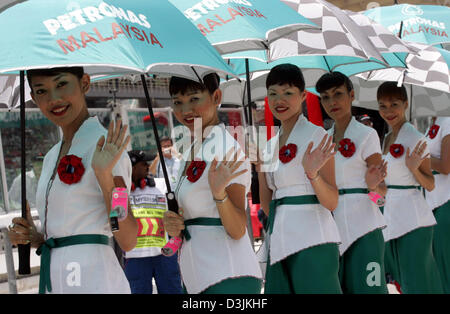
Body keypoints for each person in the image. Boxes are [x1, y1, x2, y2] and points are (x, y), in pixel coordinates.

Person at [7, 67, 137, 294]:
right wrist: (34, 237)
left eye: (61, 84)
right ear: (34, 98)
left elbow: (128, 239)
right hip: (56, 280)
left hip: (95, 280)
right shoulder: (50, 157)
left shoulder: (107, 148)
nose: (53, 99)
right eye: (41, 90)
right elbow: (64, 230)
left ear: (84, 83)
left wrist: (105, 176)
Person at [162, 73, 262, 294]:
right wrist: (173, 222)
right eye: (178, 102)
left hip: (228, 275)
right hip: (198, 273)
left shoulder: (228, 150)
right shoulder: (190, 150)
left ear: (216, 97)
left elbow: (237, 229)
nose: (185, 110)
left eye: (194, 99)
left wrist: (219, 194)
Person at [255, 63, 342, 294]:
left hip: (313, 238)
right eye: (273, 93)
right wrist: (259, 168)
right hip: (280, 237)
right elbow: (267, 205)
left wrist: (312, 174)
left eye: (288, 93)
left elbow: (332, 201)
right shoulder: (270, 144)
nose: (279, 100)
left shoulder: (318, 136)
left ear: (303, 96)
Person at [315, 72, 388, 294]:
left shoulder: (367, 135)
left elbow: (382, 197)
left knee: (371, 289)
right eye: (325, 97)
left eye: (338, 94)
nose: (332, 102)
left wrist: (372, 187)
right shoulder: (321, 139)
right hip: (331, 229)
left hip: (365, 229)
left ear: (351, 95)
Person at [377, 81, 443, 293]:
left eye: (394, 104)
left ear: (405, 104)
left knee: (417, 280)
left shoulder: (416, 138)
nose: (388, 111)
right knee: (402, 281)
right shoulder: (387, 138)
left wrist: (414, 169)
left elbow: (430, 185)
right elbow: (387, 186)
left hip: (414, 219)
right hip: (392, 216)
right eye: (383, 106)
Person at [124, 150, 182, 294]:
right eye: (143, 164)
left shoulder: (160, 185)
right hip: (135, 257)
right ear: (131, 167)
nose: (147, 167)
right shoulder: (122, 192)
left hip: (164, 254)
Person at [424, 116, 450, 293]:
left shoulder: (447, 120)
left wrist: (421, 158)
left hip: (445, 200)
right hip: (431, 202)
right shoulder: (432, 122)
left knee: (444, 263)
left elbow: (446, 166)